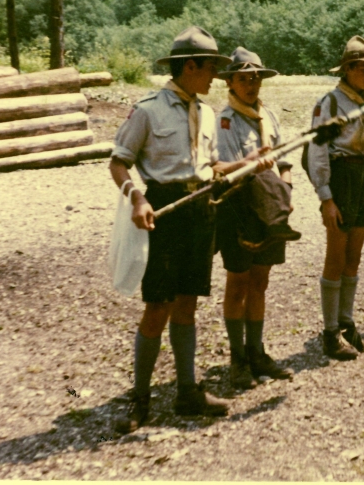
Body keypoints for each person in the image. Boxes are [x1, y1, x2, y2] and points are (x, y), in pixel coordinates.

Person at [110, 27, 263, 433]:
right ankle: (139, 400)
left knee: (188, 303)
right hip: (164, 210)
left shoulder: (207, 113)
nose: (215, 76)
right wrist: (137, 198)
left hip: (201, 211)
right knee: (157, 305)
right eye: (211, 68)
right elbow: (118, 162)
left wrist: (251, 161)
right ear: (189, 66)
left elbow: (211, 167)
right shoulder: (147, 110)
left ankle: (187, 393)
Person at [215, 47, 296, 389]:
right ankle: (237, 359)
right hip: (240, 207)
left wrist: (286, 189)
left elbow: (284, 158)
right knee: (239, 282)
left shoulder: (269, 116)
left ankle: (256, 351)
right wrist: (252, 163)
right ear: (230, 83)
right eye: (244, 78)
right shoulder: (225, 121)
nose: (251, 84)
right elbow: (222, 169)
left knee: (260, 281)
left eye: (256, 78)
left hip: (269, 208)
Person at [307, 36, 364, 360]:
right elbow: (318, 151)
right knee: (336, 256)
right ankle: (330, 333)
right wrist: (326, 197)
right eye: (363, 68)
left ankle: (347, 324)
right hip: (341, 177)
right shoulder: (329, 103)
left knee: (354, 256)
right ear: (348, 69)